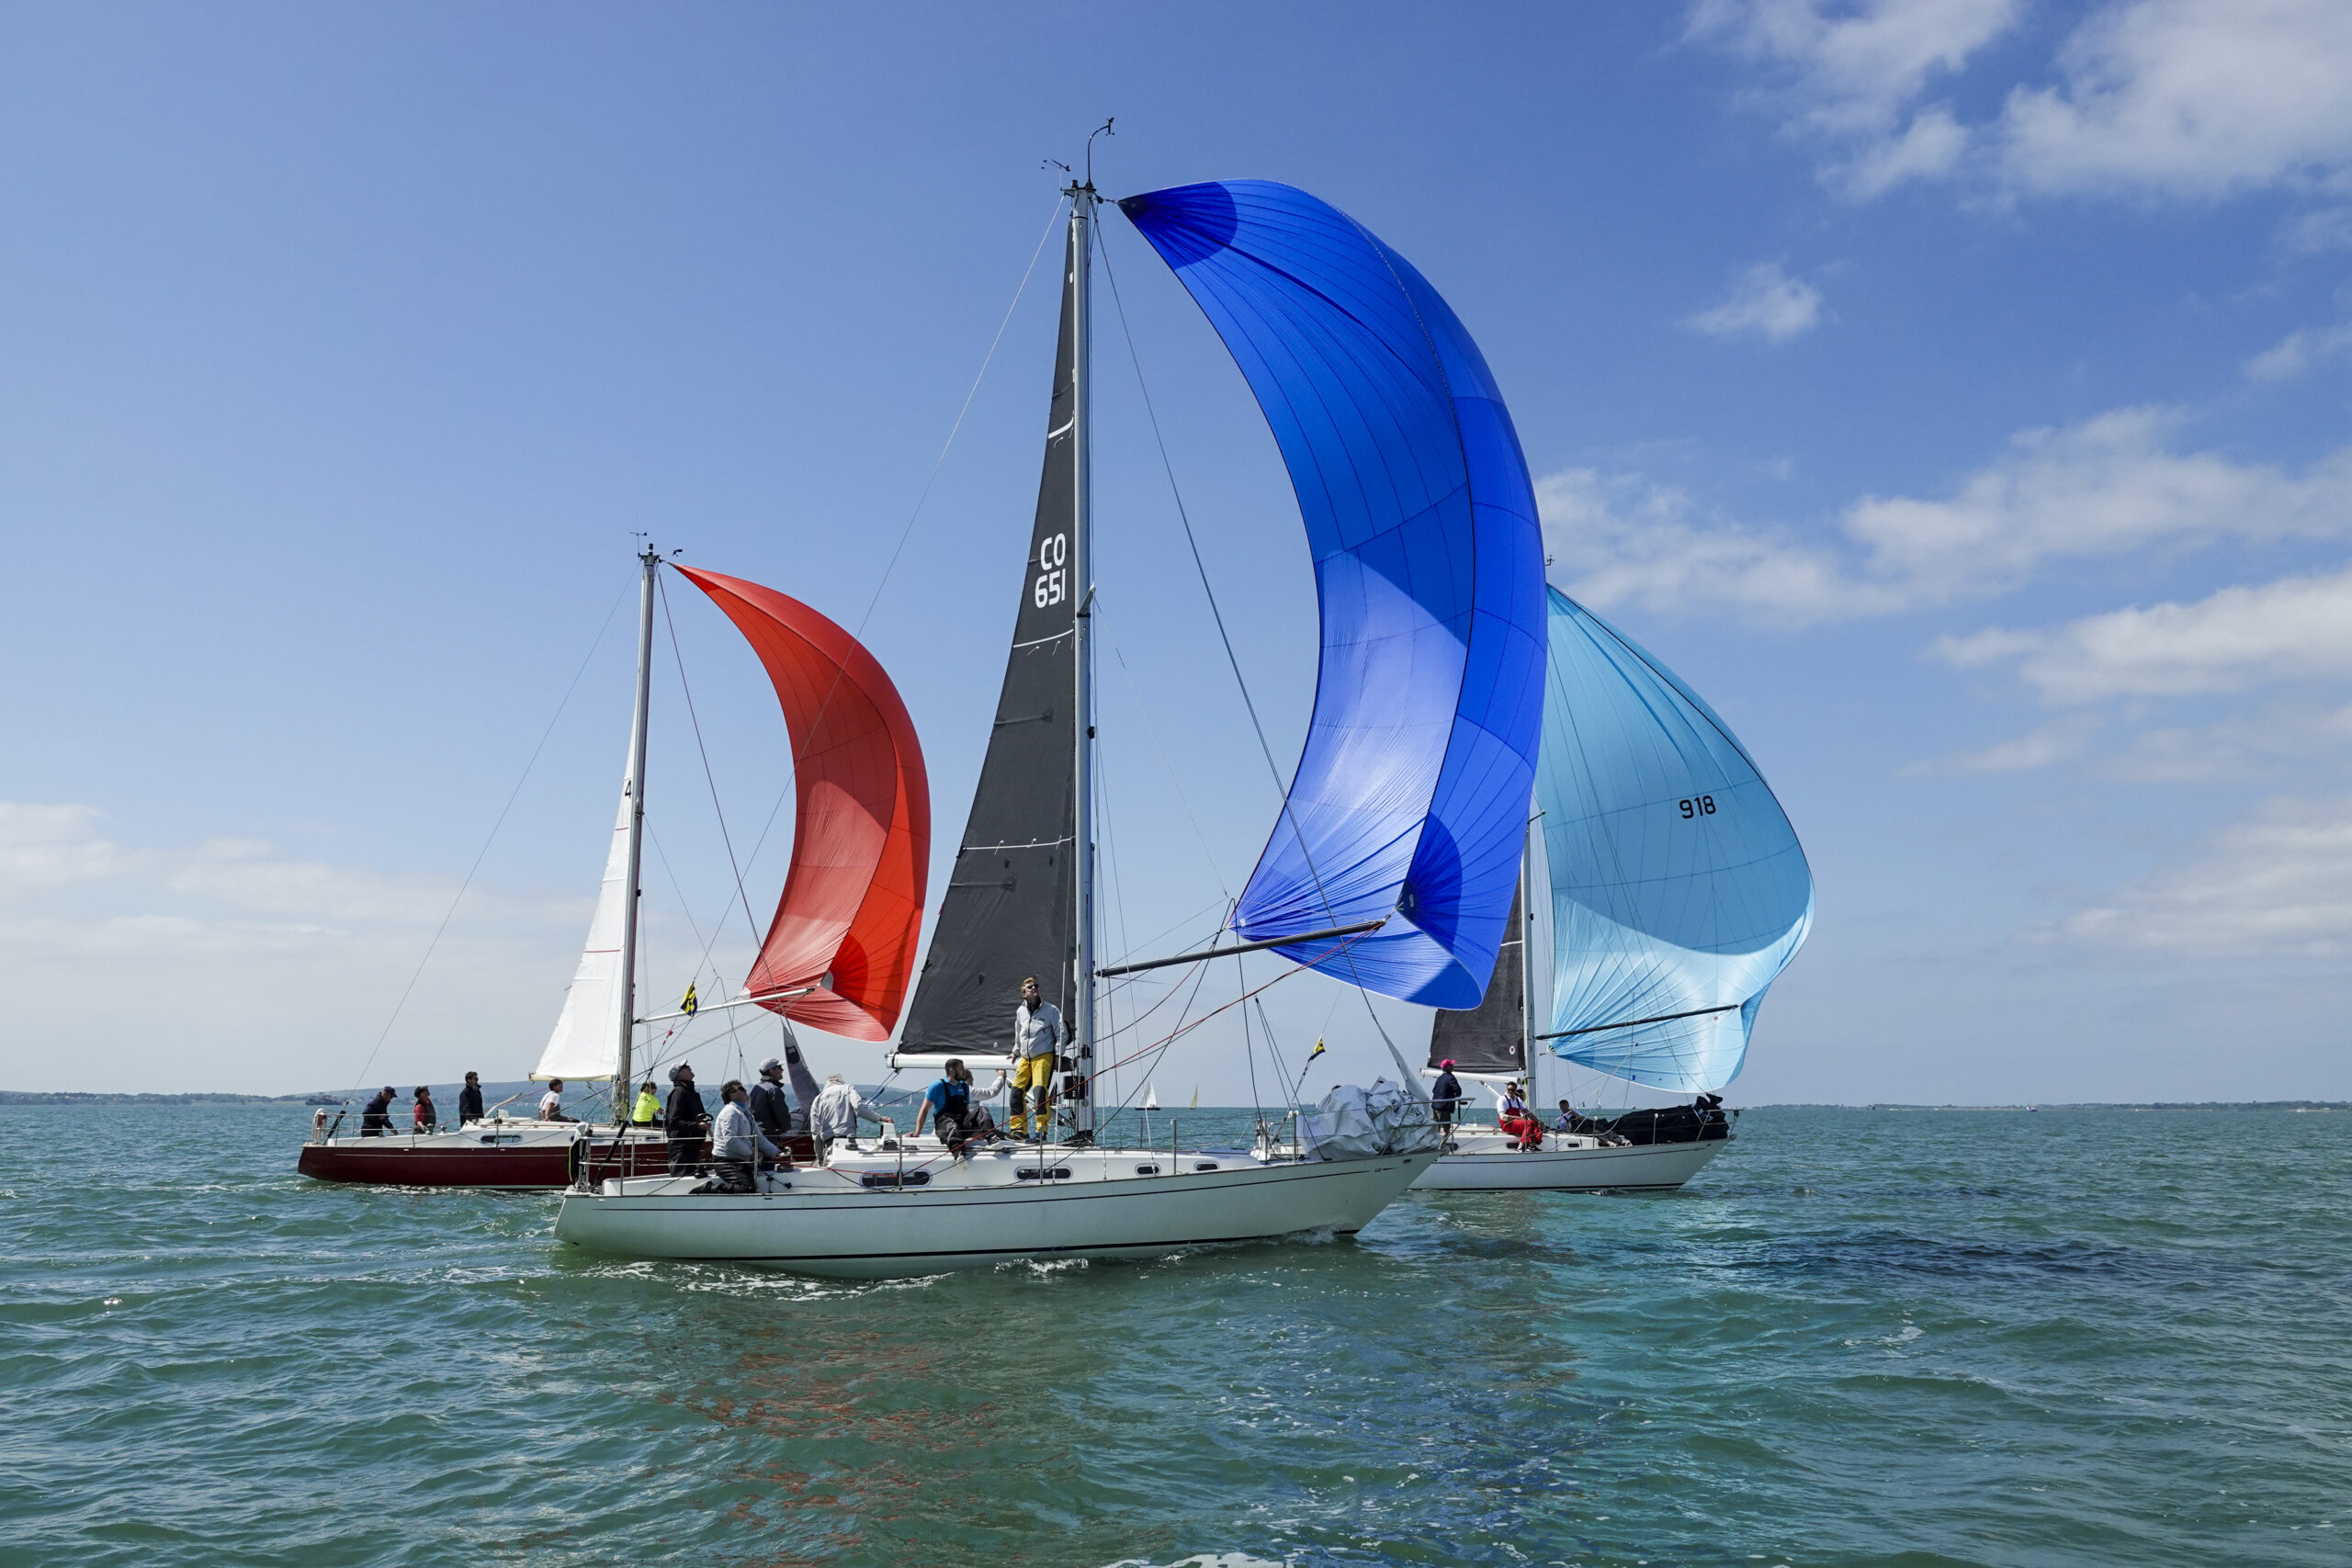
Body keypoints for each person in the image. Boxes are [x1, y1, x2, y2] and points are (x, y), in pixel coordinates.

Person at [1008, 975, 1063, 1141]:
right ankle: (1018, 1130)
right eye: (1030, 987)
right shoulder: (1020, 1011)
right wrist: (1016, 1052)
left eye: (1036, 986)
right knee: (1016, 1093)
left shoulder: (1050, 1010)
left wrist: (1058, 1054)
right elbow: (1019, 1033)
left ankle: (1041, 1131)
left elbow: (1061, 1032)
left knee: (1039, 1091)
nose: (1034, 988)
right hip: (1026, 1058)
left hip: (1043, 1056)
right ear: (1024, 994)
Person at [704, 1078, 781, 1193]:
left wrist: (778, 1154)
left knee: (757, 1180)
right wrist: (751, 1154)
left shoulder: (745, 1113)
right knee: (747, 1187)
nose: (745, 1090)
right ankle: (707, 1189)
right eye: (740, 1088)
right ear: (732, 1095)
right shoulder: (730, 1112)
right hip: (726, 1161)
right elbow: (730, 1140)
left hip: (740, 1160)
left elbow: (760, 1139)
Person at [915, 1058, 1003, 1156]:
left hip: (961, 1128)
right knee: (951, 1124)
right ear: (952, 1070)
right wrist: (917, 1132)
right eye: (961, 1069)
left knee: (982, 1110)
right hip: (945, 1128)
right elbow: (924, 1109)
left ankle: (991, 1138)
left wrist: (975, 1131)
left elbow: (967, 1112)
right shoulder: (937, 1086)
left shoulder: (964, 1086)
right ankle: (958, 1152)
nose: (963, 1071)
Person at [809, 1073, 887, 1146]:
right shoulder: (848, 1088)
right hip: (848, 1138)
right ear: (840, 1082)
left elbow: (815, 1129)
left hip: (828, 1140)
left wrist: (820, 1154)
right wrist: (880, 1118)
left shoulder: (818, 1098)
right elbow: (859, 1107)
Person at [664, 1065, 709, 1175]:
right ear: (680, 1075)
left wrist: (702, 1124)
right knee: (682, 1178)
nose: (689, 1067)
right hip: (682, 1149)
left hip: (692, 1147)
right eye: (685, 1067)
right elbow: (673, 1122)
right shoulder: (679, 1092)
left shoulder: (689, 1092)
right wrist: (697, 1125)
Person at [748, 1057, 797, 1155]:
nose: (782, 1070)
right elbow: (782, 1115)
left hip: (756, 1134)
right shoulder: (774, 1090)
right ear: (771, 1071)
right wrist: (786, 1128)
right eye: (779, 1067)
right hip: (771, 1136)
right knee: (772, 1161)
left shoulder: (754, 1089)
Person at [1498, 1079, 1544, 1150]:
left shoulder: (1517, 1099)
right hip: (1507, 1124)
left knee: (1534, 1123)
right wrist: (1517, 1118)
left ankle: (1532, 1145)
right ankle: (1520, 1146)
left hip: (1517, 1123)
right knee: (1529, 1124)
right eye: (1509, 1090)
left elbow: (1527, 1112)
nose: (1510, 1091)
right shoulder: (1502, 1099)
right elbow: (1503, 1117)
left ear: (1515, 1090)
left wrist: (1538, 1121)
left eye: (1512, 1090)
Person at [1430, 1058, 1464, 1134]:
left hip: (1434, 1106)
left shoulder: (1439, 1078)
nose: (1453, 1066)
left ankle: (1437, 1140)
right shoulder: (1451, 1078)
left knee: (1436, 1129)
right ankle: (1443, 1140)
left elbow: (1434, 1090)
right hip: (1444, 1108)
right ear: (1447, 1067)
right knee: (1446, 1129)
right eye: (1451, 1065)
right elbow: (1458, 1091)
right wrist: (1453, 1095)